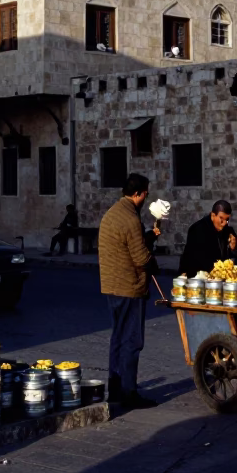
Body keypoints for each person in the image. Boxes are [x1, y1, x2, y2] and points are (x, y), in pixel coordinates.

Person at [98, 173, 160, 409]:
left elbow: (127, 245)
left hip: (112, 286)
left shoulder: (113, 212)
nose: (146, 198)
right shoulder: (130, 218)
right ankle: (129, 392)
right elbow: (140, 257)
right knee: (132, 340)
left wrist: (147, 239)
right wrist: (153, 262)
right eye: (145, 193)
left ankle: (115, 388)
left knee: (118, 337)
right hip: (129, 286)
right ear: (137, 194)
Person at [178, 200, 237, 277]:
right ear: (213, 216)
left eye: (227, 219)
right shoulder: (198, 230)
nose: (224, 223)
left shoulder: (228, 231)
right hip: (196, 280)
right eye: (221, 218)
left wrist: (235, 248)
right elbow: (196, 261)